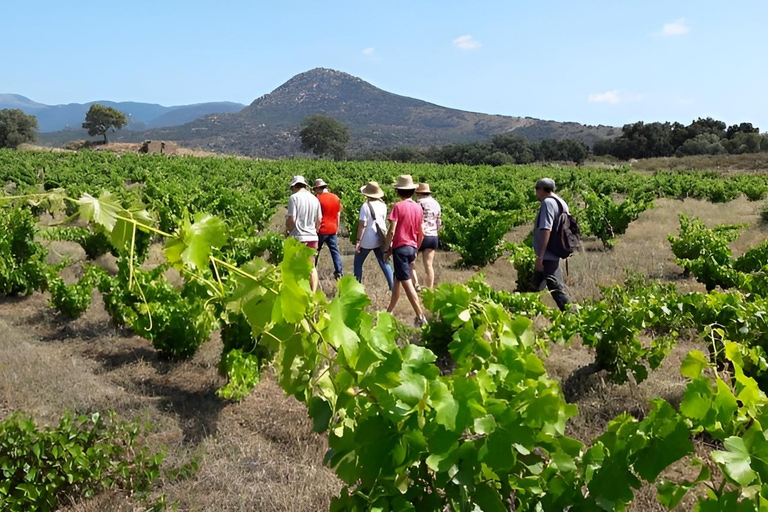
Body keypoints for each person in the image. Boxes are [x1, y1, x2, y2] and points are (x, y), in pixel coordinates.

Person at [384, 175, 428, 327]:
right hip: (411, 248)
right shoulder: (418, 208)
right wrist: (416, 248)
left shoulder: (398, 206)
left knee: (406, 281)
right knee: (398, 279)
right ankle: (388, 312)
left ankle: (420, 316)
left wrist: (386, 248)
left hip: (400, 249)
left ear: (398, 191)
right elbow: (421, 232)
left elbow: (392, 230)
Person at [532, 177, 571, 311]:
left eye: (536, 190)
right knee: (534, 286)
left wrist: (540, 257)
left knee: (556, 289)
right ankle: (525, 313)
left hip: (548, 254)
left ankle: (574, 316)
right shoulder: (561, 202)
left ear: (541, 190)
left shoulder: (547, 203)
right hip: (556, 250)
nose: (536, 193)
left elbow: (546, 229)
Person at [353, 181, 394, 291]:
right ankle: (393, 287)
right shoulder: (383, 205)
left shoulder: (365, 206)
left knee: (357, 264)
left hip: (367, 240)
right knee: (384, 263)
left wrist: (358, 241)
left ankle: (357, 288)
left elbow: (362, 225)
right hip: (380, 239)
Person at [286, 175, 322, 292]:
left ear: (294, 186)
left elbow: (292, 218)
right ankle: (312, 292)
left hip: (298, 237)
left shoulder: (294, 198)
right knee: (311, 266)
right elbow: (319, 220)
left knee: (295, 266)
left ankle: (298, 291)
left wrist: (289, 230)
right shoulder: (315, 199)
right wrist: (314, 230)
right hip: (312, 237)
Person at [412, 182, 441, 290]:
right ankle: (430, 289)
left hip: (420, 236)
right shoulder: (436, 204)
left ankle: (416, 285)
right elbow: (439, 222)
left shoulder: (418, 203)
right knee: (428, 265)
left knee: (411, 262)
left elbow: (415, 220)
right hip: (433, 236)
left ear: (418, 193)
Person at [313, 178, 343, 280]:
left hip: (321, 229)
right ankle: (339, 272)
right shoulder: (336, 198)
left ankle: (312, 270)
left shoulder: (317, 199)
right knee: (335, 251)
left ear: (318, 188)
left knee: (315, 252)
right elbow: (338, 215)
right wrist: (337, 227)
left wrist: (315, 227)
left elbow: (317, 216)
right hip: (332, 229)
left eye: (315, 189)